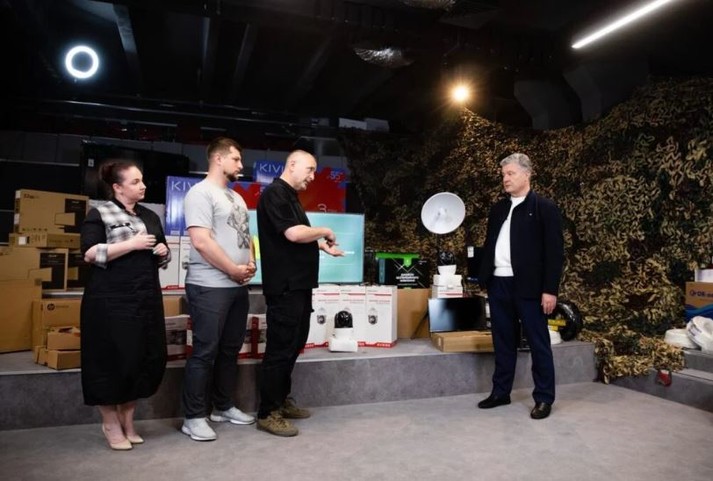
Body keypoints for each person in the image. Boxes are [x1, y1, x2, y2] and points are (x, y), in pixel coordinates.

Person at [80, 161, 171, 450]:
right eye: (135, 182)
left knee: (139, 359)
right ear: (117, 187)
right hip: (110, 301)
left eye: (142, 180)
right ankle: (110, 422)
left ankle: (128, 421)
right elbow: (90, 253)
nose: (142, 186)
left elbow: (162, 253)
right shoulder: (100, 213)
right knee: (110, 361)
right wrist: (130, 244)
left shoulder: (149, 216)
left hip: (145, 299)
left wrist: (163, 251)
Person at [256, 150, 344, 437]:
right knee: (280, 349)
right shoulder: (275, 194)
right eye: (310, 169)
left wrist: (320, 245)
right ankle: (267, 412)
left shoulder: (290, 196)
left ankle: (281, 401)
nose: (313, 176)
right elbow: (293, 234)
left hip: (299, 286)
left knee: (293, 346)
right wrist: (324, 230)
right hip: (285, 287)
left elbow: (293, 237)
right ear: (292, 164)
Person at [180, 137, 257, 441]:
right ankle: (193, 417)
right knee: (204, 352)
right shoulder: (200, 193)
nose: (241, 165)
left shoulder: (236, 197)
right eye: (236, 159)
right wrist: (232, 269)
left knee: (229, 350)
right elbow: (201, 241)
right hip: (209, 286)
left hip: (237, 285)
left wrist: (251, 262)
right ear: (218, 159)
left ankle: (222, 407)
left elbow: (247, 236)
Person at [478, 152, 564, 420]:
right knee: (502, 341)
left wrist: (550, 290)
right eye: (503, 174)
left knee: (538, 342)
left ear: (527, 174)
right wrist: (485, 278)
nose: (505, 178)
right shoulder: (498, 209)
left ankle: (544, 398)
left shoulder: (544, 208)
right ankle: (501, 392)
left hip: (530, 287)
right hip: (499, 284)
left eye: (511, 173)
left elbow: (554, 253)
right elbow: (489, 245)